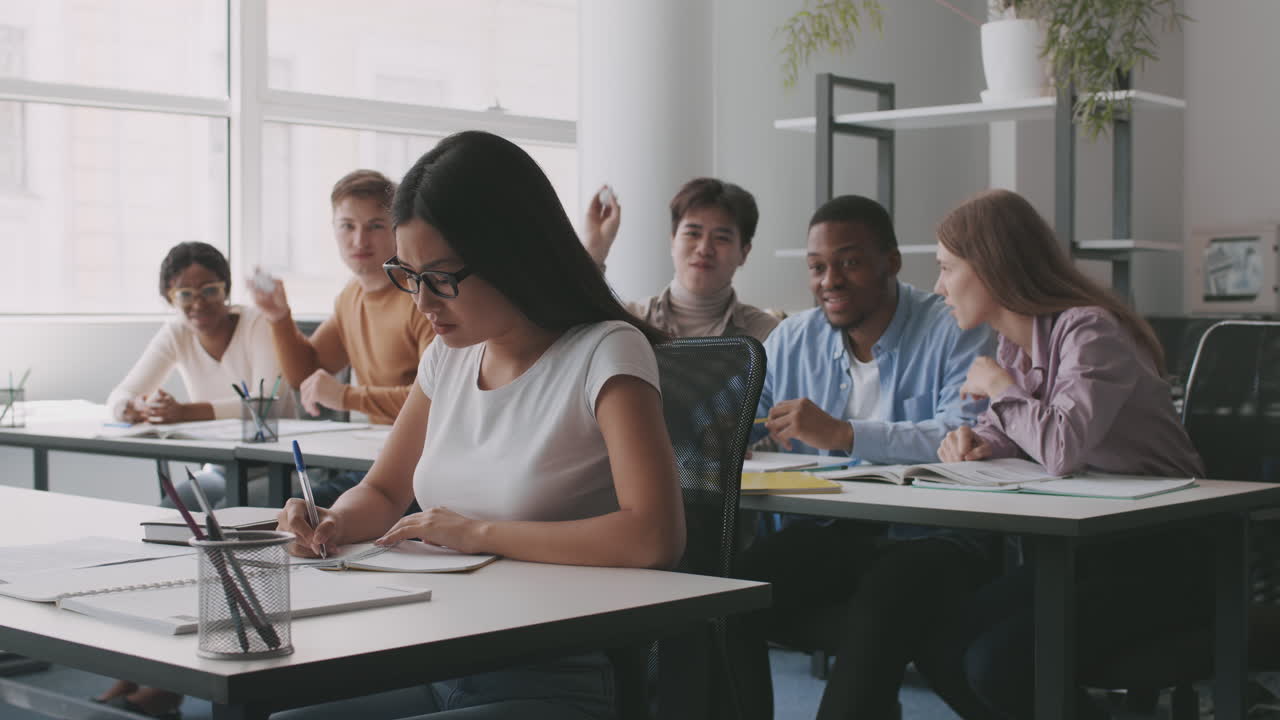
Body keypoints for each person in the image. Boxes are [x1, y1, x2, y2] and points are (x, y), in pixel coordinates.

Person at [274, 130, 685, 719]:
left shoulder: (606, 354)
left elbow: (654, 538)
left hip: (550, 673)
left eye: (440, 278)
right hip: (440, 653)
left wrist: (477, 532)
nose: (422, 302)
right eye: (408, 275)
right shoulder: (452, 354)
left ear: (512, 256)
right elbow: (387, 490)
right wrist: (332, 520)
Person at [844, 189, 1206, 720]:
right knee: (938, 644)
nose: (939, 286)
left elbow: (1060, 446)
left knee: (998, 664)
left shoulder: (1089, 330)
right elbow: (1012, 436)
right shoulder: (1015, 345)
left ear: (990, 267)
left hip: (1160, 557)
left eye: (947, 268)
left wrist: (996, 385)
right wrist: (977, 445)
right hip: (1080, 553)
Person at [731, 194, 994, 719]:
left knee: (885, 598)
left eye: (849, 262)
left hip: (935, 536)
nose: (830, 280)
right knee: (735, 590)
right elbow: (734, 419)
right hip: (833, 530)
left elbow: (963, 435)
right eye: (817, 267)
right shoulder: (793, 339)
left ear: (890, 262)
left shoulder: (953, 327)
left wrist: (844, 434)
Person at [98, 241, 294, 719]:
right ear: (170, 299)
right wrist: (136, 407)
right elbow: (118, 397)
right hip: (217, 469)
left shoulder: (255, 324)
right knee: (169, 515)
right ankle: (153, 667)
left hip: (271, 472)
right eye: (184, 295)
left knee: (206, 512)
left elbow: (273, 403)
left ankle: (178, 676)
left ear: (226, 290)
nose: (198, 304)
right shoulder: (176, 332)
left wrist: (187, 411)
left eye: (209, 290)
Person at [251, 169, 435, 506]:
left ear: (397, 229)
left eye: (375, 226)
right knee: (284, 512)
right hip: (375, 462)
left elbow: (436, 398)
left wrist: (347, 396)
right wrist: (279, 317)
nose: (359, 241)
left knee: (287, 512)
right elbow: (305, 377)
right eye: (347, 226)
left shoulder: (423, 298)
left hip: (422, 470)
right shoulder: (351, 296)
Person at [582, 177, 779, 341]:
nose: (704, 249)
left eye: (721, 238)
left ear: (744, 253)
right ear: (673, 241)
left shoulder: (766, 334)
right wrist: (594, 250)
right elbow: (572, 336)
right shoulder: (631, 321)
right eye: (693, 233)